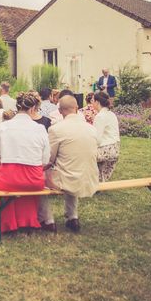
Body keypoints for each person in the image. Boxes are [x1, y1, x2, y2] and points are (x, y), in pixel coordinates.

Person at [0, 92, 50, 233]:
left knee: (4, 179)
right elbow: (45, 160)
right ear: (33, 108)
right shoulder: (40, 129)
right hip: (33, 180)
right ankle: (27, 220)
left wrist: (2, 164)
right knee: (26, 184)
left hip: (7, 179)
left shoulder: (4, 127)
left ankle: (8, 221)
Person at [38, 96, 99, 233]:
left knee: (38, 177)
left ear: (59, 111)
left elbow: (49, 159)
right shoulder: (92, 129)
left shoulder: (56, 129)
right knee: (70, 168)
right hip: (89, 178)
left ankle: (47, 220)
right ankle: (72, 217)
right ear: (77, 108)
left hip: (68, 179)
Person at [92, 91, 120, 182]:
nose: (92, 103)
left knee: (81, 153)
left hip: (106, 150)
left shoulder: (100, 116)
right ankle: (99, 181)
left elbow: (97, 139)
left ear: (97, 102)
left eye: (93, 100)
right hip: (115, 148)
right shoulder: (111, 114)